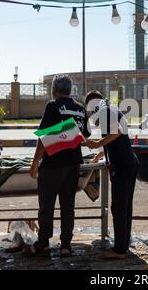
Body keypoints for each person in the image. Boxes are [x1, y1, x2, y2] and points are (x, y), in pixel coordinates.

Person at [28, 75, 91, 258]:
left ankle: (43, 244)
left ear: (54, 88)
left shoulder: (53, 106)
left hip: (53, 165)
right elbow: (85, 134)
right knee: (67, 206)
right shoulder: (80, 109)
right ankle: (65, 246)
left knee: (46, 206)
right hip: (73, 165)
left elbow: (44, 139)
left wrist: (34, 165)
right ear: (69, 89)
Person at [84, 90, 139, 260]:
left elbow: (114, 133)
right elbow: (117, 138)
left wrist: (97, 144)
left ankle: (119, 250)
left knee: (118, 207)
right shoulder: (110, 108)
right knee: (125, 206)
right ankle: (123, 244)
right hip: (128, 163)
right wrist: (100, 154)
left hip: (123, 166)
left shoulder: (105, 111)